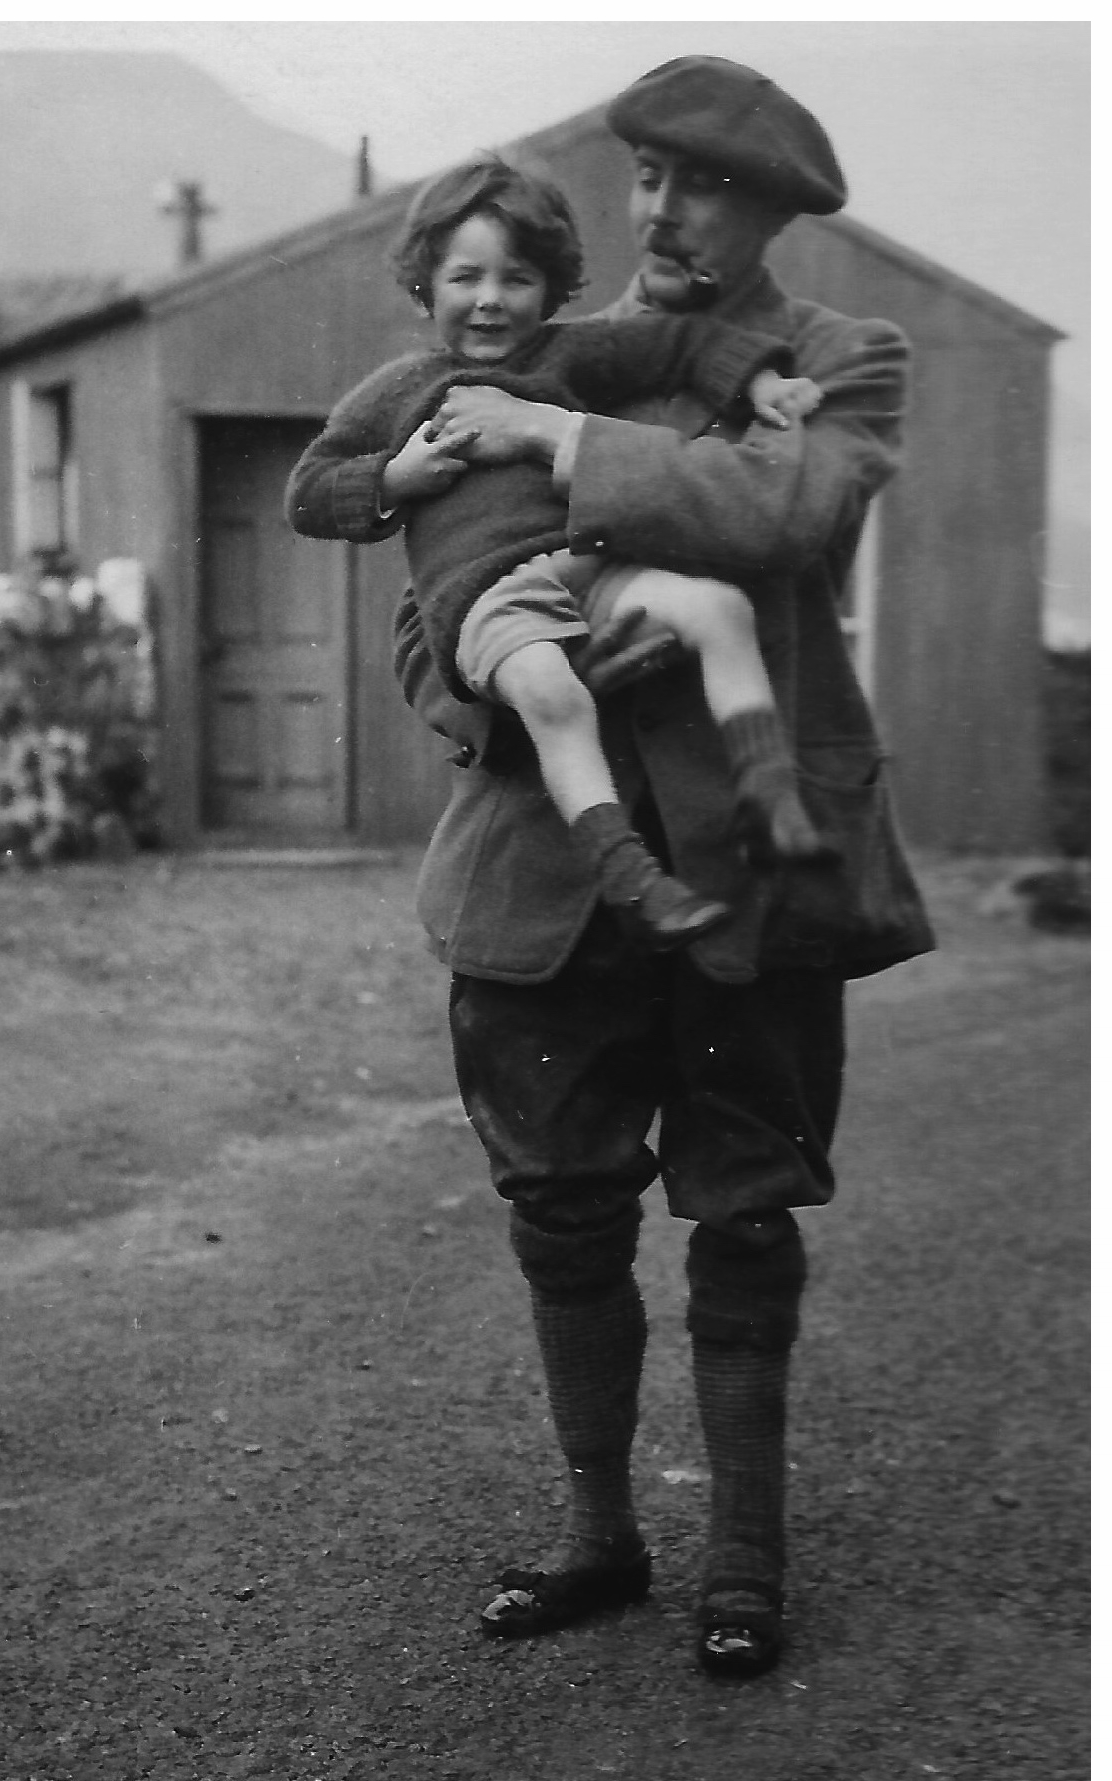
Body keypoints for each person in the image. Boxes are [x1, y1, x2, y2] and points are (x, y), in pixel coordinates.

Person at [390, 54, 935, 1680]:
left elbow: (782, 509)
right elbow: (423, 611)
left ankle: (744, 1559)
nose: (662, 210)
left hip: (752, 878)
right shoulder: (516, 336)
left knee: (745, 1210)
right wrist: (490, 668)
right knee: (559, 1211)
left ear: (772, 205)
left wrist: (553, 435)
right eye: (643, 177)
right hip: (531, 864)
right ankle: (594, 1531)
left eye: (701, 183)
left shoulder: (841, 356)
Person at [286, 155, 831, 955]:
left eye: (519, 278)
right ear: (427, 286)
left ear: (552, 286)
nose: (491, 301)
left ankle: (771, 797)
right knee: (553, 693)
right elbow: (307, 491)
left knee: (720, 608)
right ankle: (628, 873)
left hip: (587, 567)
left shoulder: (567, 357)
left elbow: (680, 346)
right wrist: (396, 476)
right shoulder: (401, 389)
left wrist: (761, 387)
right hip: (485, 602)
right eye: (466, 277)